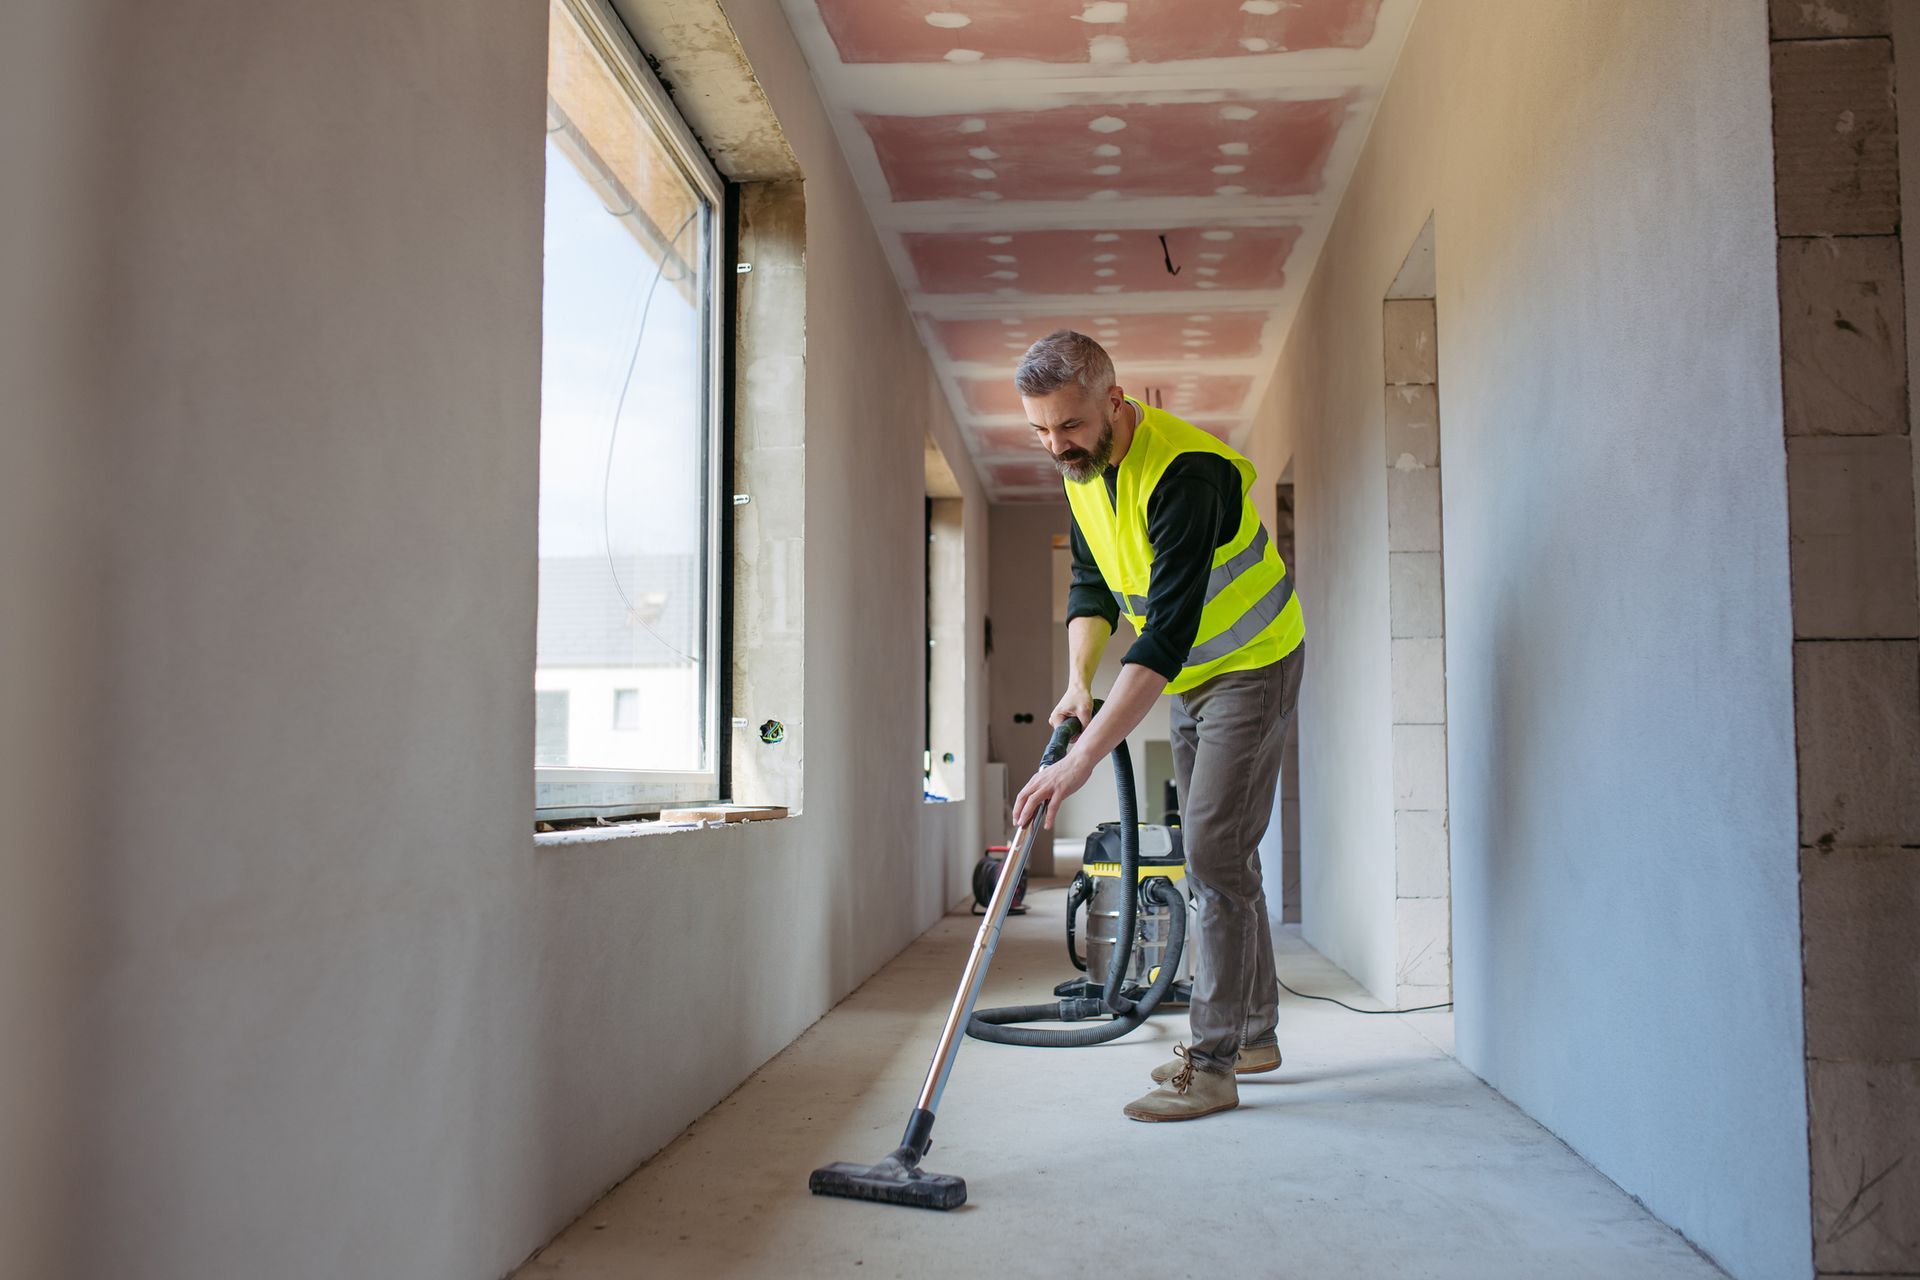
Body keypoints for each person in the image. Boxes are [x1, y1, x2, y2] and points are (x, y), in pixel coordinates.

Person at [1010, 329, 1306, 1123]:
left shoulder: (1187, 475)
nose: (1054, 445)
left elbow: (1163, 640)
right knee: (1220, 854)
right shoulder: (1083, 470)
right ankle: (1254, 1030)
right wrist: (1077, 684)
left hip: (1251, 661)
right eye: (1039, 430)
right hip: (1197, 676)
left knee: (1212, 853)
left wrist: (1074, 772)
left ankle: (1211, 1065)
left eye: (1067, 426)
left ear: (1113, 401)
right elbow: (1092, 585)